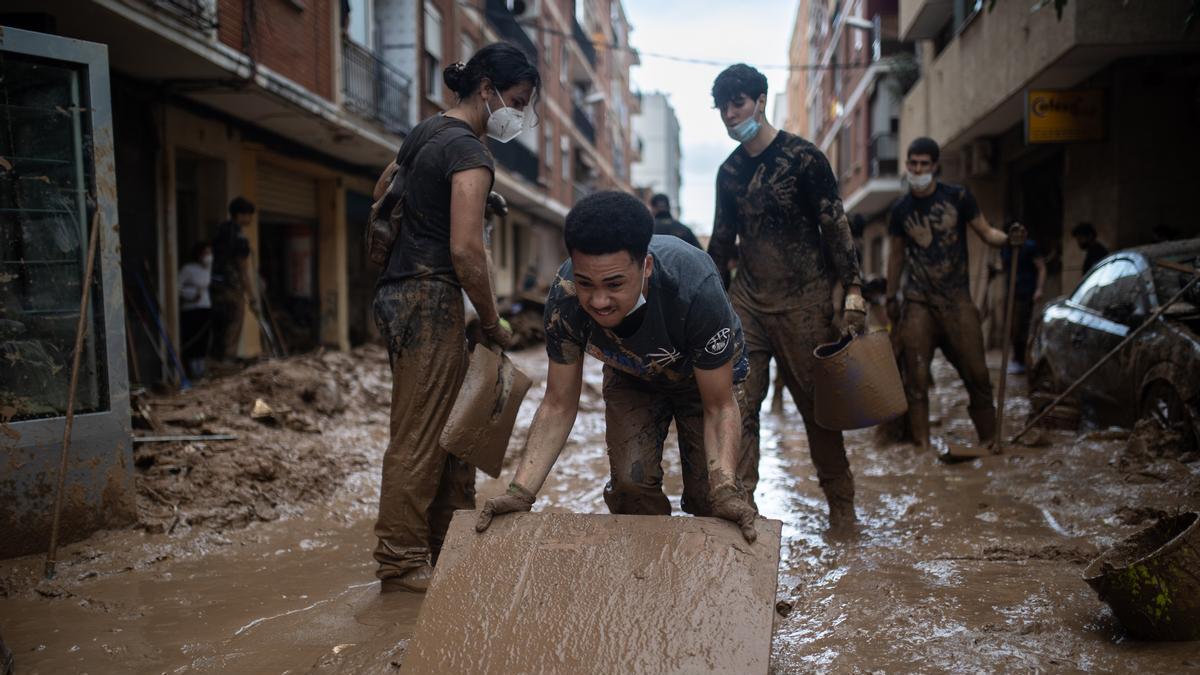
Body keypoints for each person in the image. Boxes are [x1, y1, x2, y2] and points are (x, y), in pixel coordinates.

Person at [475, 191, 759, 542]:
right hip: (633, 377)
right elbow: (558, 403)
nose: (598, 301)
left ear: (646, 268)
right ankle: (647, 576)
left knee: (713, 499)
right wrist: (519, 493)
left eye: (614, 285)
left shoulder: (695, 288)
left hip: (705, 381)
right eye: (585, 283)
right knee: (630, 484)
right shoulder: (564, 299)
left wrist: (727, 491)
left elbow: (719, 406)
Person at [371, 43, 539, 593]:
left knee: (447, 429)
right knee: (421, 433)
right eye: (515, 101)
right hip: (430, 294)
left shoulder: (424, 133)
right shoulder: (470, 151)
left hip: (400, 291)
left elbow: (383, 194)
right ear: (486, 89)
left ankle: (446, 543)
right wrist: (492, 321)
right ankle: (399, 560)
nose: (518, 115)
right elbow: (467, 251)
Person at [707, 64, 866, 530]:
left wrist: (853, 289)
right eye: (722, 108)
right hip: (748, 306)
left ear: (760, 100)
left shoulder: (804, 159)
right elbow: (721, 243)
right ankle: (742, 512)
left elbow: (835, 224)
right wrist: (707, 304)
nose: (731, 115)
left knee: (820, 412)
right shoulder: (729, 173)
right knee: (739, 407)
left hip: (807, 302)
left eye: (737, 103)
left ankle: (842, 508)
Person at [886, 137, 1026, 453]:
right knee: (916, 381)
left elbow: (987, 232)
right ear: (907, 165)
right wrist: (891, 297)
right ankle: (921, 447)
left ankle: (990, 442)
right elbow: (895, 257)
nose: (917, 169)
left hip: (957, 299)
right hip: (918, 302)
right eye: (913, 163)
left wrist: (1009, 239)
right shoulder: (899, 210)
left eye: (923, 164)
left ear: (935, 166)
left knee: (977, 374)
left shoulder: (959, 197)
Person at [210, 197, 255, 361]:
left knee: (219, 327)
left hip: (216, 287)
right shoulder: (239, 238)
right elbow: (243, 269)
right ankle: (226, 365)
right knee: (233, 326)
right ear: (241, 215)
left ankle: (216, 362)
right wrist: (252, 295)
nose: (250, 219)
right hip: (232, 288)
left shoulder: (220, 231)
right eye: (249, 214)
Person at [997, 221, 1045, 375]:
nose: (1017, 235)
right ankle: (1015, 358)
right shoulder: (1006, 248)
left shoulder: (1030, 247)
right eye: (1014, 232)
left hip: (1026, 292)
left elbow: (1041, 267)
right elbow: (1006, 268)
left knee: (1021, 328)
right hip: (1011, 292)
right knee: (1010, 327)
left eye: (1020, 232)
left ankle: (1021, 360)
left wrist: (1039, 289)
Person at [179, 241, 213, 380]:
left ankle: (201, 369)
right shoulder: (188, 269)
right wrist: (191, 294)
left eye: (210, 253)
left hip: (205, 307)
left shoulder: (208, 269)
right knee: (193, 339)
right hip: (192, 308)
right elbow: (177, 286)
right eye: (206, 253)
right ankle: (193, 371)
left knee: (204, 340)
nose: (209, 256)